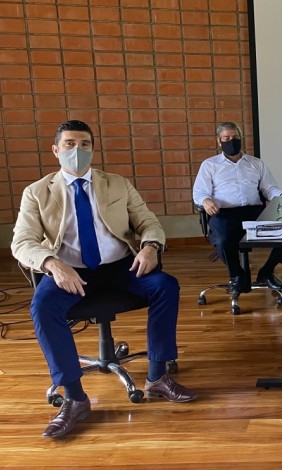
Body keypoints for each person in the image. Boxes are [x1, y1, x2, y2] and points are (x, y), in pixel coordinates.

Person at [11, 120, 197, 439]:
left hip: (120, 268)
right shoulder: (37, 192)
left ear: (93, 149)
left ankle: (157, 377)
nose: (77, 150)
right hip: (71, 273)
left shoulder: (117, 184)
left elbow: (149, 223)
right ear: (56, 150)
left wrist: (151, 247)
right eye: (69, 144)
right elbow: (21, 241)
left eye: (84, 144)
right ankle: (74, 398)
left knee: (166, 285)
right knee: (42, 307)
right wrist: (52, 263)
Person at [193, 121, 282, 294]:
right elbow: (199, 192)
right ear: (219, 141)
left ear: (241, 139)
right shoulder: (210, 165)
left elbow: (270, 189)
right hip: (224, 213)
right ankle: (237, 276)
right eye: (226, 138)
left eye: (235, 137)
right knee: (224, 239)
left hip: (254, 212)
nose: (231, 141)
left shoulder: (256, 164)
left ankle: (267, 271)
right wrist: (206, 201)